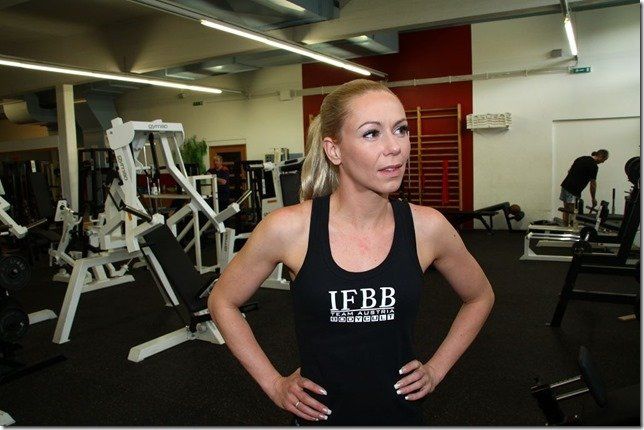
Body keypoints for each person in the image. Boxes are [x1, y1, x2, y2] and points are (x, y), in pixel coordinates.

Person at [208, 79, 494, 426]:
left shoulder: (427, 227)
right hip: (321, 419)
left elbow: (480, 296)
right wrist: (274, 384)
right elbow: (222, 301)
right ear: (334, 150)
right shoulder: (288, 228)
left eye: (401, 130)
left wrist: (436, 369)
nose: (395, 147)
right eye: (372, 133)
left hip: (400, 417)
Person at [559, 150, 609, 226]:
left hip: (565, 185)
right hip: (573, 190)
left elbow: (569, 171)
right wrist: (593, 198)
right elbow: (593, 184)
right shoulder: (594, 166)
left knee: (566, 209)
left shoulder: (581, 158)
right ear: (600, 156)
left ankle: (565, 228)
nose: (603, 162)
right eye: (603, 160)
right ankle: (570, 229)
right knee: (572, 211)